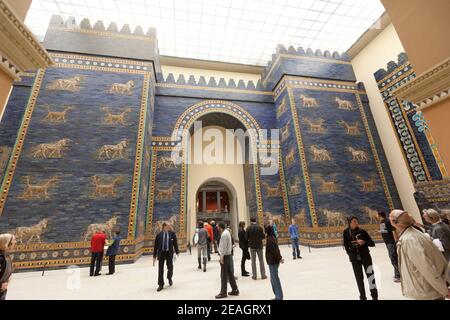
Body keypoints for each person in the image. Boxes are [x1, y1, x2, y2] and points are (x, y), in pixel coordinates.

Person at [390, 209, 448, 300]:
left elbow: (426, 267)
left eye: (390, 218)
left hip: (428, 291)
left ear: (394, 222)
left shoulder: (409, 240)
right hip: (429, 288)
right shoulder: (413, 234)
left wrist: (443, 290)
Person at [343, 216, 378, 300]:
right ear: (350, 223)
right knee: (359, 278)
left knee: (370, 276)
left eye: (357, 221)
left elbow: (372, 243)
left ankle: (374, 296)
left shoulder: (362, 231)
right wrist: (350, 254)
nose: (356, 223)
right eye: (354, 221)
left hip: (366, 257)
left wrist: (364, 242)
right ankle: (362, 297)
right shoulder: (346, 232)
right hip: (354, 259)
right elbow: (346, 245)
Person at [216, 222, 239, 299]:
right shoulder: (226, 233)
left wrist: (221, 257)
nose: (217, 228)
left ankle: (223, 292)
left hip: (225, 256)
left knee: (223, 275)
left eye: (217, 226)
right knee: (230, 274)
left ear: (220, 227)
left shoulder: (224, 234)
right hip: (227, 255)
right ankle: (235, 290)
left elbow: (223, 247)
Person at [153, 222, 179, 292]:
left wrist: (177, 251)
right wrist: (154, 256)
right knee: (160, 269)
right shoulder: (159, 235)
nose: (169, 227)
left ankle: (169, 277)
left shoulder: (172, 234)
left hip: (169, 253)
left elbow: (175, 243)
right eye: (168, 226)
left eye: (169, 226)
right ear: (164, 227)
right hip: (161, 253)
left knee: (170, 267)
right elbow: (155, 246)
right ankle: (160, 284)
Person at [377, 211, 400, 282]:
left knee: (393, 258)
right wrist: (379, 231)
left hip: (390, 242)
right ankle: (397, 274)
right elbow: (385, 231)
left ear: (379, 215)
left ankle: (398, 275)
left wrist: (396, 240)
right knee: (394, 257)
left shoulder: (384, 222)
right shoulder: (385, 221)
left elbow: (393, 230)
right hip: (389, 242)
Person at [265, 225, 284, 300]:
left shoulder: (270, 239)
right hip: (272, 261)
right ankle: (277, 296)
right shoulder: (272, 237)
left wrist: (280, 258)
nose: (265, 233)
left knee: (275, 280)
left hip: (273, 262)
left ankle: (279, 297)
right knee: (273, 280)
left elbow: (275, 251)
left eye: (265, 231)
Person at [0, 234, 16, 300]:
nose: (15, 242)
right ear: (7, 243)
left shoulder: (5, 255)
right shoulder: (1, 258)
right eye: (13, 240)